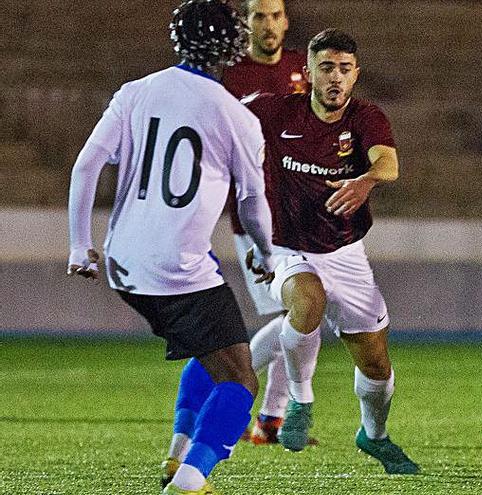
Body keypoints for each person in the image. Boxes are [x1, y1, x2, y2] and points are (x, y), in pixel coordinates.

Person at [66, 1, 276, 493]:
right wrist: (266, 253)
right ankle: (189, 478)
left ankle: (176, 455)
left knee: (208, 350)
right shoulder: (235, 116)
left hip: (123, 264)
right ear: (232, 45)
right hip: (177, 269)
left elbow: (86, 165)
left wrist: (80, 245)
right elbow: (251, 201)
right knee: (241, 381)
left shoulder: (136, 92)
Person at [242, 28, 420, 475]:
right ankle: (299, 403)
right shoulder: (275, 110)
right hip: (286, 246)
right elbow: (221, 120)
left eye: (344, 69)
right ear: (309, 73)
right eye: (326, 68)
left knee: (376, 362)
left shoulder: (365, 117)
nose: (336, 78)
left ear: (355, 74)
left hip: (344, 251)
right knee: (307, 301)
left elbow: (389, 162)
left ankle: (373, 436)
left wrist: (365, 180)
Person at [221, 0, 310, 446]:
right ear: (246, 22)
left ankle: (268, 421)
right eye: (259, 16)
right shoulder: (230, 76)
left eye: (275, 15)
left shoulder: (302, 69)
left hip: (299, 212)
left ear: (286, 20)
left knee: (298, 313)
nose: (269, 24)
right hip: (254, 215)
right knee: (298, 311)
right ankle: (225, 388)